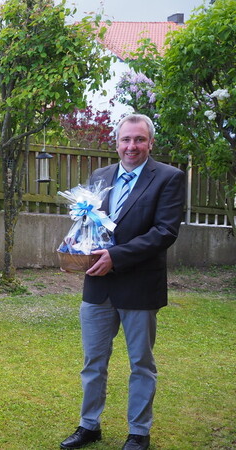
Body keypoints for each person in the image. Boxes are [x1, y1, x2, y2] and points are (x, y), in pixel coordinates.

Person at [59, 114, 185, 450]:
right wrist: (76, 247)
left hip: (139, 286)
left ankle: (139, 431)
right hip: (97, 286)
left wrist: (118, 256)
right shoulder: (101, 176)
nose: (132, 146)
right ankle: (89, 426)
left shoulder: (169, 178)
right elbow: (90, 225)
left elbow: (165, 232)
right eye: (126, 140)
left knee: (141, 364)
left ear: (150, 143)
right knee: (93, 362)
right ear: (116, 142)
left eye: (139, 139)